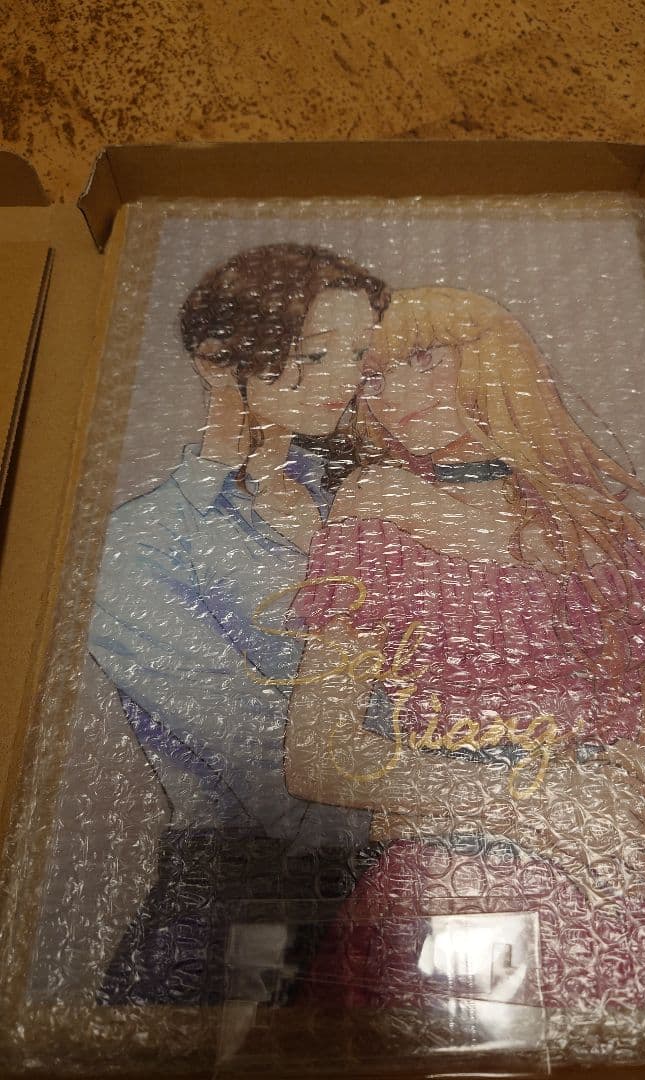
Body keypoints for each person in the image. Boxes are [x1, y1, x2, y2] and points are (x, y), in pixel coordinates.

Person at [283, 287, 645, 1011]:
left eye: (425, 358)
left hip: (613, 898)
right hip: (457, 884)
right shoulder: (379, 500)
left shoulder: (598, 524)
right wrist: (541, 802)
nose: (394, 395)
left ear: (496, 357)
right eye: (374, 376)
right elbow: (318, 755)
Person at [89, 243, 390, 1005]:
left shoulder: (363, 506)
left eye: (360, 354)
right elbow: (256, 752)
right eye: (315, 354)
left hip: (394, 874)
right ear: (219, 362)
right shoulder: (144, 540)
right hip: (248, 896)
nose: (346, 379)